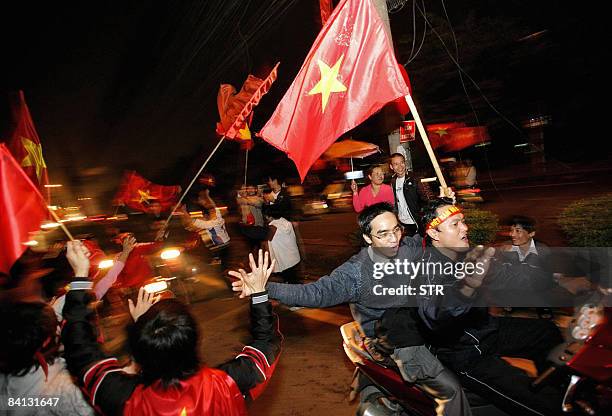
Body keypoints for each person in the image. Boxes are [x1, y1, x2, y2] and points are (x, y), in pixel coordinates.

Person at [231, 203, 478, 416]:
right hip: (393, 341)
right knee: (451, 390)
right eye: (383, 234)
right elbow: (314, 293)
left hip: (420, 324)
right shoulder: (356, 274)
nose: (393, 239)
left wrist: (448, 214)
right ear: (368, 239)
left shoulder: (406, 249)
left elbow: (428, 238)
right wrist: (264, 288)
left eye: (396, 230)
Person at [377, 199, 565, 416]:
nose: (465, 228)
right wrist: (468, 286)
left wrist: (559, 281)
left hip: (486, 329)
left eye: (463, 222)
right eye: (455, 224)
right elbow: (436, 315)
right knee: (541, 402)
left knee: (547, 333)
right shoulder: (427, 270)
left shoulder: (468, 255)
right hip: (465, 353)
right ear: (435, 234)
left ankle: (565, 392)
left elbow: (512, 276)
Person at [61, 241, 281, 416]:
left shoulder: (121, 396)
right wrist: (258, 293)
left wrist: (81, 276)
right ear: (196, 340)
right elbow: (265, 344)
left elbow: (80, 349)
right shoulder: (224, 384)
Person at [0, 301, 95, 416]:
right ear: (46, 341)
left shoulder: (9, 372)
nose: (59, 329)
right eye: (56, 326)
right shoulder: (63, 388)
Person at [181, 189, 231, 267]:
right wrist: (207, 196)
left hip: (220, 247)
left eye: (204, 216)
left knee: (221, 265)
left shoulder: (208, 224)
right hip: (221, 246)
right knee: (222, 264)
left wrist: (183, 211)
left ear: (206, 216)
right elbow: (213, 207)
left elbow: (191, 221)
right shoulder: (218, 218)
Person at [262, 188, 301, 284]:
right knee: (294, 280)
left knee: (289, 283)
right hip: (294, 259)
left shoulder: (272, 228)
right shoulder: (286, 222)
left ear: (268, 216)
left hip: (284, 263)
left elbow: (261, 238)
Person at [389, 153, 434, 235]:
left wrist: (425, 217)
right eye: (396, 164)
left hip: (416, 222)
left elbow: (429, 199)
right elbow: (396, 201)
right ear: (391, 167)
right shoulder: (393, 181)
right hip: (402, 223)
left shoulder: (416, 178)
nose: (400, 166)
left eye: (402, 162)